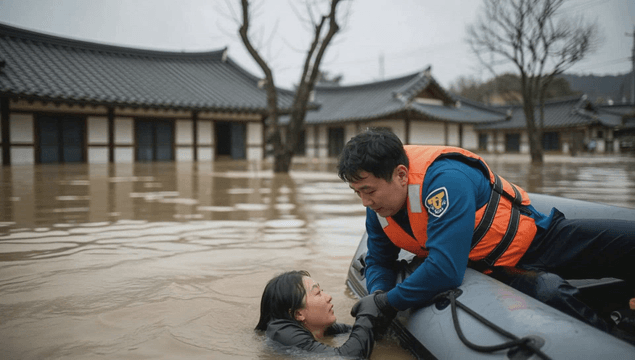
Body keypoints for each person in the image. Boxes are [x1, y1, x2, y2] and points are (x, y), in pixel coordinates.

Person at [336, 128, 635, 335]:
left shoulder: (445, 180)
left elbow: (444, 270)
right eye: (357, 192)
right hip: (490, 269)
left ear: (401, 175)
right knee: (551, 292)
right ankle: (612, 337)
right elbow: (379, 259)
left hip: (539, 239)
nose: (365, 200)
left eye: (368, 190)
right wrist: (377, 297)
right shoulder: (380, 205)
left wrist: (390, 303)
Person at [255, 270, 390, 359]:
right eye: (318, 293)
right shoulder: (286, 336)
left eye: (322, 291)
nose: (328, 297)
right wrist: (368, 313)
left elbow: (352, 332)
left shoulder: (315, 326)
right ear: (298, 314)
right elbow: (348, 357)